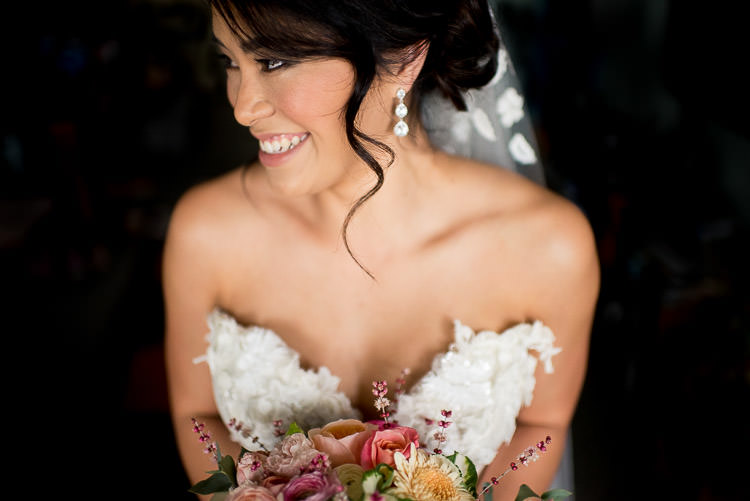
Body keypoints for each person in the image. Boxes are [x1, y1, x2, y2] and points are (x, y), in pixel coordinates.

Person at [163, 1, 600, 499]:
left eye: (275, 62)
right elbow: (195, 415)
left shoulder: (548, 247)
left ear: (405, 59)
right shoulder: (205, 232)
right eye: (230, 62)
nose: (243, 106)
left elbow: (540, 426)